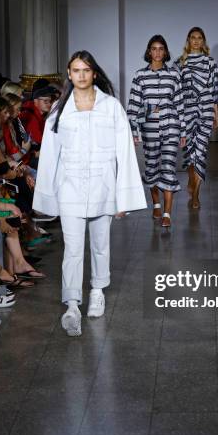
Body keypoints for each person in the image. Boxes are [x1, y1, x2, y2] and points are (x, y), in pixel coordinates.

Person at [33, 50, 146, 337]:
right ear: (69, 74)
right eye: (76, 70)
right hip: (69, 187)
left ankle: (97, 290)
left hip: (103, 186)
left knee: (99, 244)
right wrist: (48, 196)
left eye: (86, 70)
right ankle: (72, 304)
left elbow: (125, 153)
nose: (81, 75)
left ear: (94, 73)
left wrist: (124, 197)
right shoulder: (59, 111)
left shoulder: (111, 107)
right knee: (71, 249)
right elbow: (49, 155)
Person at [128, 35, 185, 228]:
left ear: (166, 52)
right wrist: (134, 132)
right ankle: (157, 204)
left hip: (171, 127)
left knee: (168, 167)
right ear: (149, 52)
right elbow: (133, 107)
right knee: (152, 168)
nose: (158, 52)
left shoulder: (174, 75)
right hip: (149, 129)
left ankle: (168, 214)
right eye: (154, 48)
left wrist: (183, 131)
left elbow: (180, 105)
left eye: (161, 49)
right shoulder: (140, 76)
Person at [174, 27, 218, 209]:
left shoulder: (210, 63)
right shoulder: (180, 63)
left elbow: (214, 89)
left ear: (203, 41)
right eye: (193, 38)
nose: (196, 41)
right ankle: (191, 180)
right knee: (189, 152)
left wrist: (216, 113)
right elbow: (175, 91)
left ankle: (196, 195)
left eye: (199, 38)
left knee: (200, 152)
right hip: (186, 111)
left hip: (205, 111)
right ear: (188, 40)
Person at [20, 78, 57, 168]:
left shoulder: (39, 112)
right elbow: (40, 140)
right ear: (35, 100)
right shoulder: (29, 114)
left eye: (51, 100)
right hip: (27, 158)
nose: (49, 104)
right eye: (46, 101)